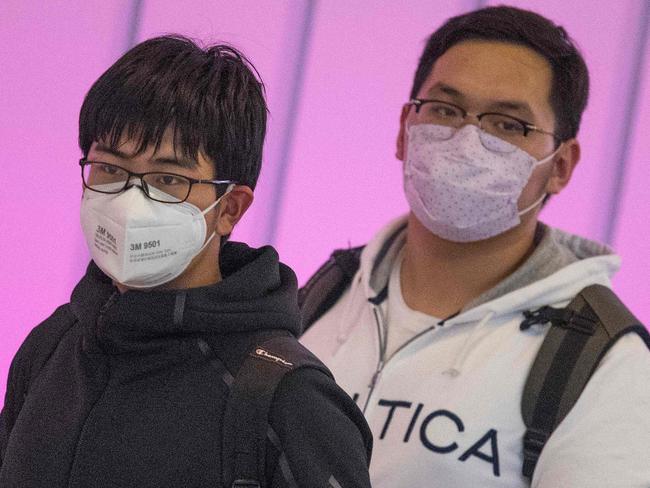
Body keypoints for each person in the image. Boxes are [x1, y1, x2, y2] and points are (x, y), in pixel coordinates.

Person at [301, 6, 650, 488]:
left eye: (508, 125)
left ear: (561, 165)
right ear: (405, 128)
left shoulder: (604, 366)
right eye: (445, 110)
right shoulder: (324, 294)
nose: (468, 140)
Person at [0, 35, 372, 488]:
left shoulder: (289, 400)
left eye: (167, 179)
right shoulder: (54, 344)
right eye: (111, 170)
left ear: (230, 207)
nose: (131, 202)